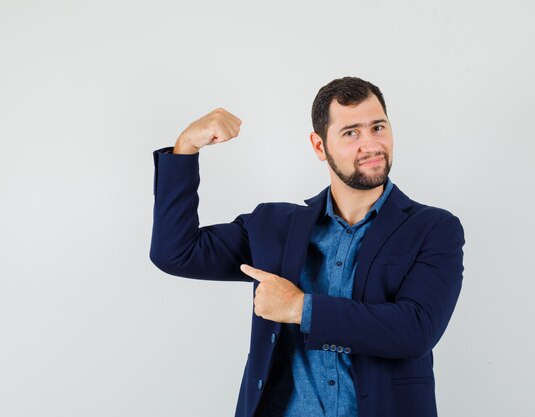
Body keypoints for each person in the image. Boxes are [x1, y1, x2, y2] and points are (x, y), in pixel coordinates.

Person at [149, 76, 465, 417]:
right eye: (351, 133)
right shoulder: (273, 226)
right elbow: (175, 252)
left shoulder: (433, 228)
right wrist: (185, 148)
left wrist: (300, 308)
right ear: (319, 146)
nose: (371, 144)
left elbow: (415, 331)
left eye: (378, 127)